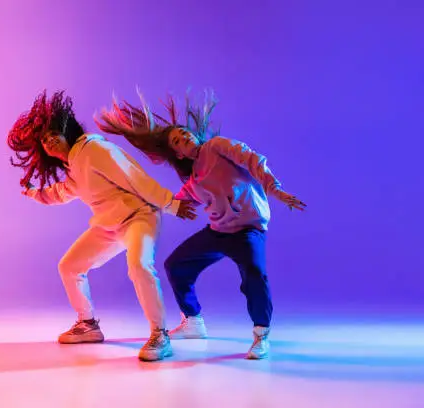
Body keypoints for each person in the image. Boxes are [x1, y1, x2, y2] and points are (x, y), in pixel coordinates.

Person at [95, 89, 306, 359]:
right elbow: (172, 201)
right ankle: (193, 322)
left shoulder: (217, 146)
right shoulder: (194, 181)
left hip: (248, 230)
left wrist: (274, 189)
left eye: (184, 132)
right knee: (176, 265)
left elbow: (251, 159)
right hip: (218, 233)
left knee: (254, 272)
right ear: (178, 154)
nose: (184, 136)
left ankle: (261, 335)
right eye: (177, 141)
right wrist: (140, 203)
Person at [7, 90, 197, 361]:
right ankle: (88, 325)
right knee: (69, 266)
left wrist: (171, 203)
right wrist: (34, 192)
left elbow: (135, 177)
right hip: (109, 227)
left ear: (67, 131)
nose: (49, 141)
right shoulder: (74, 165)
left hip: (139, 217)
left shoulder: (95, 150)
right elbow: (61, 193)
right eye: (44, 141)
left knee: (140, 266)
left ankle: (159, 334)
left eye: (53, 134)